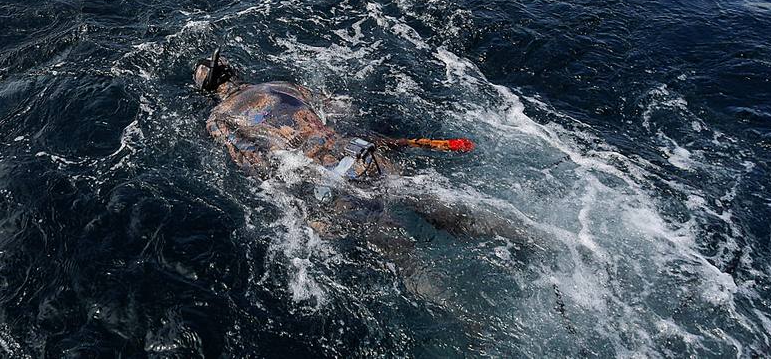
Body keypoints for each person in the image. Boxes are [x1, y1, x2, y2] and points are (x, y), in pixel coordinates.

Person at [193, 50, 530, 244]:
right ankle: (533, 240)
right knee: (440, 206)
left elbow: (254, 164)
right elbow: (341, 112)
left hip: (326, 183)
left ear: (210, 92)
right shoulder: (280, 85)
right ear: (234, 71)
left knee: (402, 257)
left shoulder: (218, 119)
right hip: (362, 155)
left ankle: (474, 329)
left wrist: (296, 207)